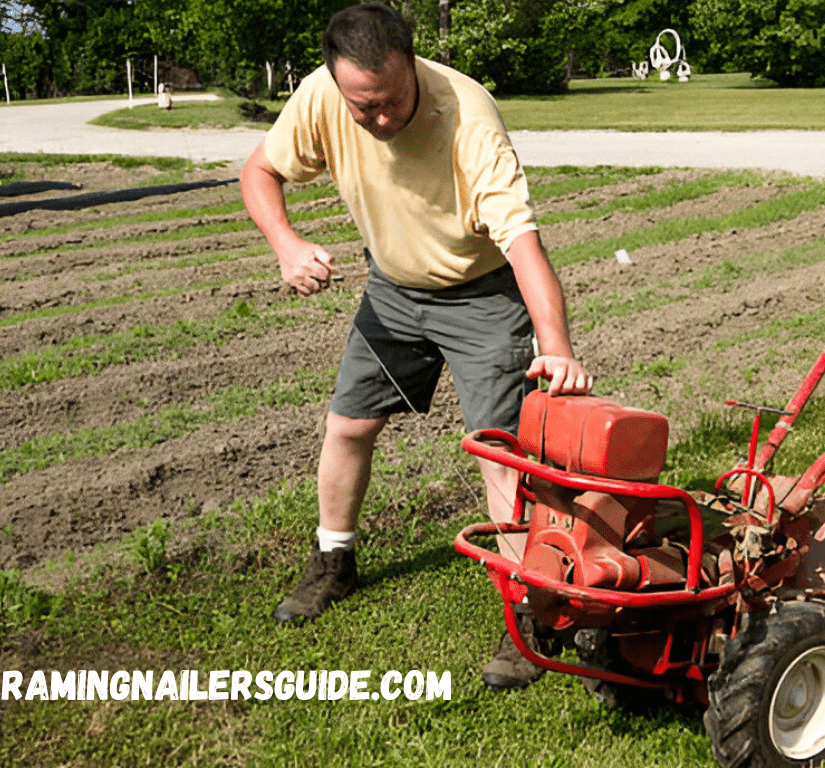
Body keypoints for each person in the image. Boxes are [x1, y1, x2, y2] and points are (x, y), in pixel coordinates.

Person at [239, 1, 591, 690]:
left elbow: (523, 245)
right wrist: (285, 244)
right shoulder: (322, 95)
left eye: (389, 101)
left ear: (412, 63)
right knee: (347, 426)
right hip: (394, 291)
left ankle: (530, 611)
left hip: (482, 295)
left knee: (503, 457)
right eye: (360, 105)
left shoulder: (468, 114)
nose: (375, 118)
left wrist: (558, 347)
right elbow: (260, 170)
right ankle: (334, 563)